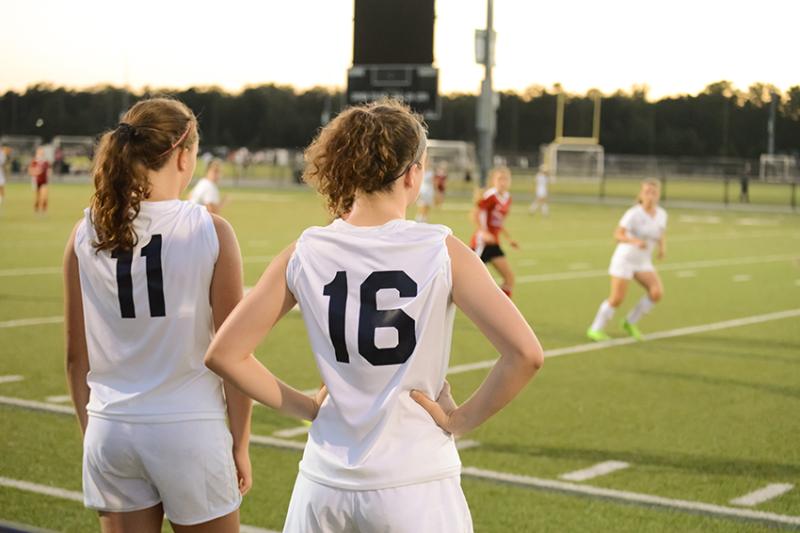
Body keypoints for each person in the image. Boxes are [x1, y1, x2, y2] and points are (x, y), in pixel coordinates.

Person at [204, 99, 543, 533]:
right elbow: (526, 354)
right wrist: (460, 420)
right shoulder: (441, 249)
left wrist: (307, 406)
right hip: (414, 481)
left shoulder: (305, 250)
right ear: (412, 173)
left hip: (324, 482)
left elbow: (225, 354)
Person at [63, 97, 254, 533]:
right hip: (189, 430)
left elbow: (77, 360)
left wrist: (95, 431)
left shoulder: (85, 229)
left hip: (111, 429)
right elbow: (234, 356)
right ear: (184, 156)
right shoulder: (211, 229)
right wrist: (240, 442)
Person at [587, 178, 667, 341]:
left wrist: (662, 248)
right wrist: (634, 241)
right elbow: (617, 235)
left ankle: (630, 322)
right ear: (641, 194)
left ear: (658, 195)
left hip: (643, 262)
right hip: (625, 259)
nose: (650, 196)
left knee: (656, 292)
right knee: (617, 298)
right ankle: (595, 329)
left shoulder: (662, 214)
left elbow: (661, 233)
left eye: (654, 192)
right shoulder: (633, 213)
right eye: (647, 192)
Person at [470, 166, 519, 298]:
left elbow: (498, 222)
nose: (503, 182)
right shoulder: (490, 196)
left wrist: (509, 239)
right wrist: (483, 232)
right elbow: (475, 213)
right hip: (482, 243)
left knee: (509, 278)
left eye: (506, 179)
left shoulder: (508, 198)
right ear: (494, 181)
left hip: (494, 242)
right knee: (468, 279)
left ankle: (500, 311)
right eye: (500, 179)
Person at [28, 147, 50, 213]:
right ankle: (36, 209)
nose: (41, 153)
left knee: (44, 196)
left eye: (42, 152)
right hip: (36, 181)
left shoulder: (46, 162)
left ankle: (43, 210)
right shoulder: (34, 161)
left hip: (44, 181)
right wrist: (36, 172)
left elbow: (49, 170)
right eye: (40, 152)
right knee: (37, 197)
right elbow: (30, 171)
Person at [415, 154, 434, 222]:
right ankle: (419, 221)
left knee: (427, 207)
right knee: (422, 206)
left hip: (429, 191)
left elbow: (433, 183)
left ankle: (424, 221)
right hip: (422, 190)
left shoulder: (431, 171)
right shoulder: (420, 171)